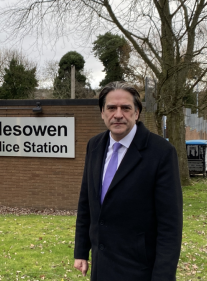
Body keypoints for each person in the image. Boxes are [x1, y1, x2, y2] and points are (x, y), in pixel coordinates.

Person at [74, 81, 183, 280]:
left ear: (137, 113)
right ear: (102, 113)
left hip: (139, 270)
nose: (118, 114)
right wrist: (81, 250)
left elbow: (170, 226)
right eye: (111, 108)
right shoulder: (95, 146)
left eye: (125, 108)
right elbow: (86, 202)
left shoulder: (161, 153)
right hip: (101, 268)